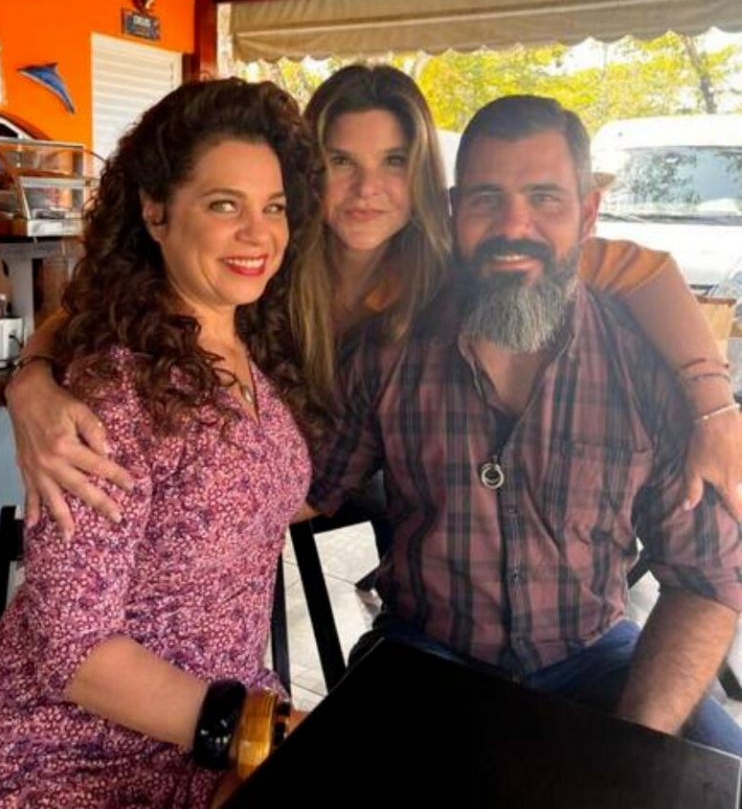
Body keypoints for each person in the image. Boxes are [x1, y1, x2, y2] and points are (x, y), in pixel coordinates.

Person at [3, 67, 742, 535]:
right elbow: (99, 307)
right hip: (256, 489)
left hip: (377, 480)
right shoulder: (265, 259)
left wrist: (715, 409)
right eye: (340, 162)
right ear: (306, 170)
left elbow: (647, 271)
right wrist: (30, 384)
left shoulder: (461, 258)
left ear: (421, 172)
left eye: (394, 161)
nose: (368, 189)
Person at [308, 95, 742, 753]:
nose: (514, 227)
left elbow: (707, 579)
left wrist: (634, 749)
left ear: (588, 212)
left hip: (594, 653)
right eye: (486, 199)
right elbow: (309, 489)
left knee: (714, 776)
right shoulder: (389, 348)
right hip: (428, 649)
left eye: (544, 198)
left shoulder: (649, 367)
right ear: (455, 214)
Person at [0, 78, 332, 805]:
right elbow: (71, 650)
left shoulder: (249, 346)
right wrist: (255, 727)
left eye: (273, 209)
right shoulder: (117, 394)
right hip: (83, 755)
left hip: (209, 728)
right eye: (223, 205)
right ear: (156, 211)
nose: (258, 234)